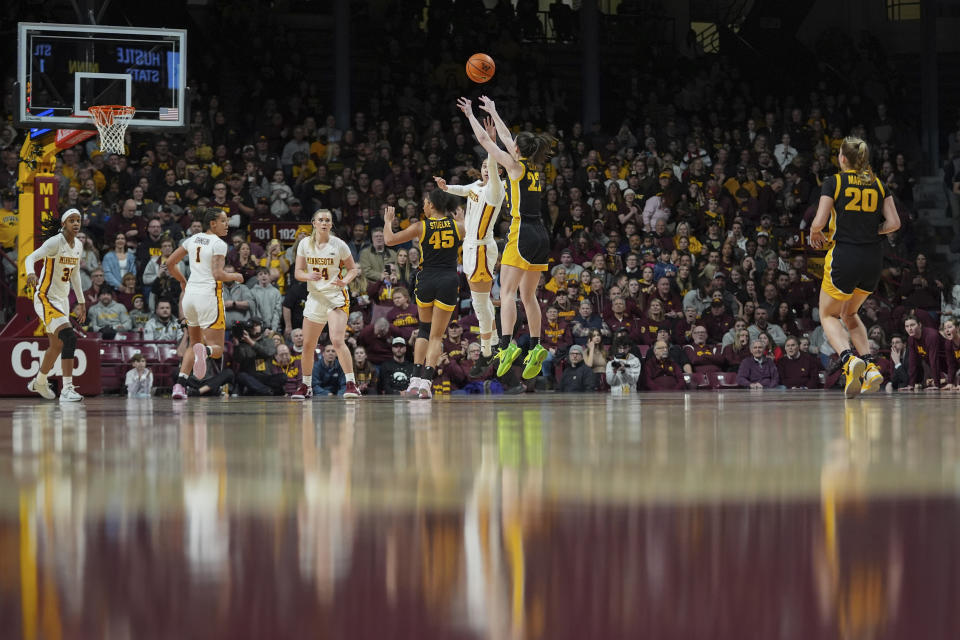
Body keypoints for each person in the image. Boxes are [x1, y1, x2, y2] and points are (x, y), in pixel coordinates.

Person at [460, 95, 556, 380]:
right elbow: (505, 136)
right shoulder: (534, 167)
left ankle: (506, 346)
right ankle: (537, 346)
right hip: (541, 235)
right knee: (529, 296)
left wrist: (471, 116)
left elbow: (486, 141)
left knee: (506, 293)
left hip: (522, 232)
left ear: (516, 149)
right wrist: (493, 111)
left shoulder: (515, 167)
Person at [809, 136, 900, 397]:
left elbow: (818, 221)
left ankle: (849, 359)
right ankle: (870, 367)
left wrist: (816, 233)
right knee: (849, 314)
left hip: (845, 256)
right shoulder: (879, 184)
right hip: (872, 259)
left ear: (843, 158)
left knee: (827, 315)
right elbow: (894, 223)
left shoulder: (834, 181)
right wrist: (873, 229)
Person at [436, 115, 504, 368]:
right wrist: (446, 188)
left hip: (483, 248)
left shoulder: (496, 190)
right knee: (482, 301)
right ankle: (494, 341)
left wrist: (492, 144)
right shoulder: (476, 185)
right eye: (485, 165)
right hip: (470, 248)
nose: (487, 168)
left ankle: (488, 349)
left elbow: (494, 169)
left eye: (492, 166)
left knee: (479, 301)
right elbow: (464, 190)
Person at [383, 189, 464, 399]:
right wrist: (462, 219)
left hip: (426, 279)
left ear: (431, 204)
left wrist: (388, 221)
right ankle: (427, 382)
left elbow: (389, 240)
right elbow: (473, 237)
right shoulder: (457, 227)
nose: (423, 206)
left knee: (424, 330)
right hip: (447, 280)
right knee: (437, 335)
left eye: (425, 203)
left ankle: (414, 380)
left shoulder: (421, 226)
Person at [166, 208, 244, 399]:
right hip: (209, 296)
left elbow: (169, 263)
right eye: (224, 221)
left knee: (194, 343)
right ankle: (205, 351)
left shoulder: (192, 239)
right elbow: (218, 274)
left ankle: (179, 386)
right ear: (213, 224)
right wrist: (236, 276)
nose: (227, 224)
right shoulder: (219, 244)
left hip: (190, 296)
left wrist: (183, 281)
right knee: (217, 350)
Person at [290, 208, 362, 399]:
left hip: (336, 296)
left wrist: (344, 281)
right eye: (320, 219)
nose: (324, 223)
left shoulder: (339, 245)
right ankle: (306, 386)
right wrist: (307, 275)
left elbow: (353, 269)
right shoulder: (304, 244)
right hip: (315, 297)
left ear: (331, 224)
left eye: (327, 220)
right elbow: (297, 272)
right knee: (307, 344)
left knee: (337, 340)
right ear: (313, 223)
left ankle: (351, 384)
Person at [23, 208, 86, 402]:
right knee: (69, 337)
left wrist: (81, 301)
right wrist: (31, 273)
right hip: (46, 297)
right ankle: (67, 389)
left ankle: (39, 382)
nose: (76, 223)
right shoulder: (55, 242)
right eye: (72, 220)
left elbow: (75, 274)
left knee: (56, 346)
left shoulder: (78, 246)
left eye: (78, 220)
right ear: (63, 224)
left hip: (63, 300)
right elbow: (30, 257)